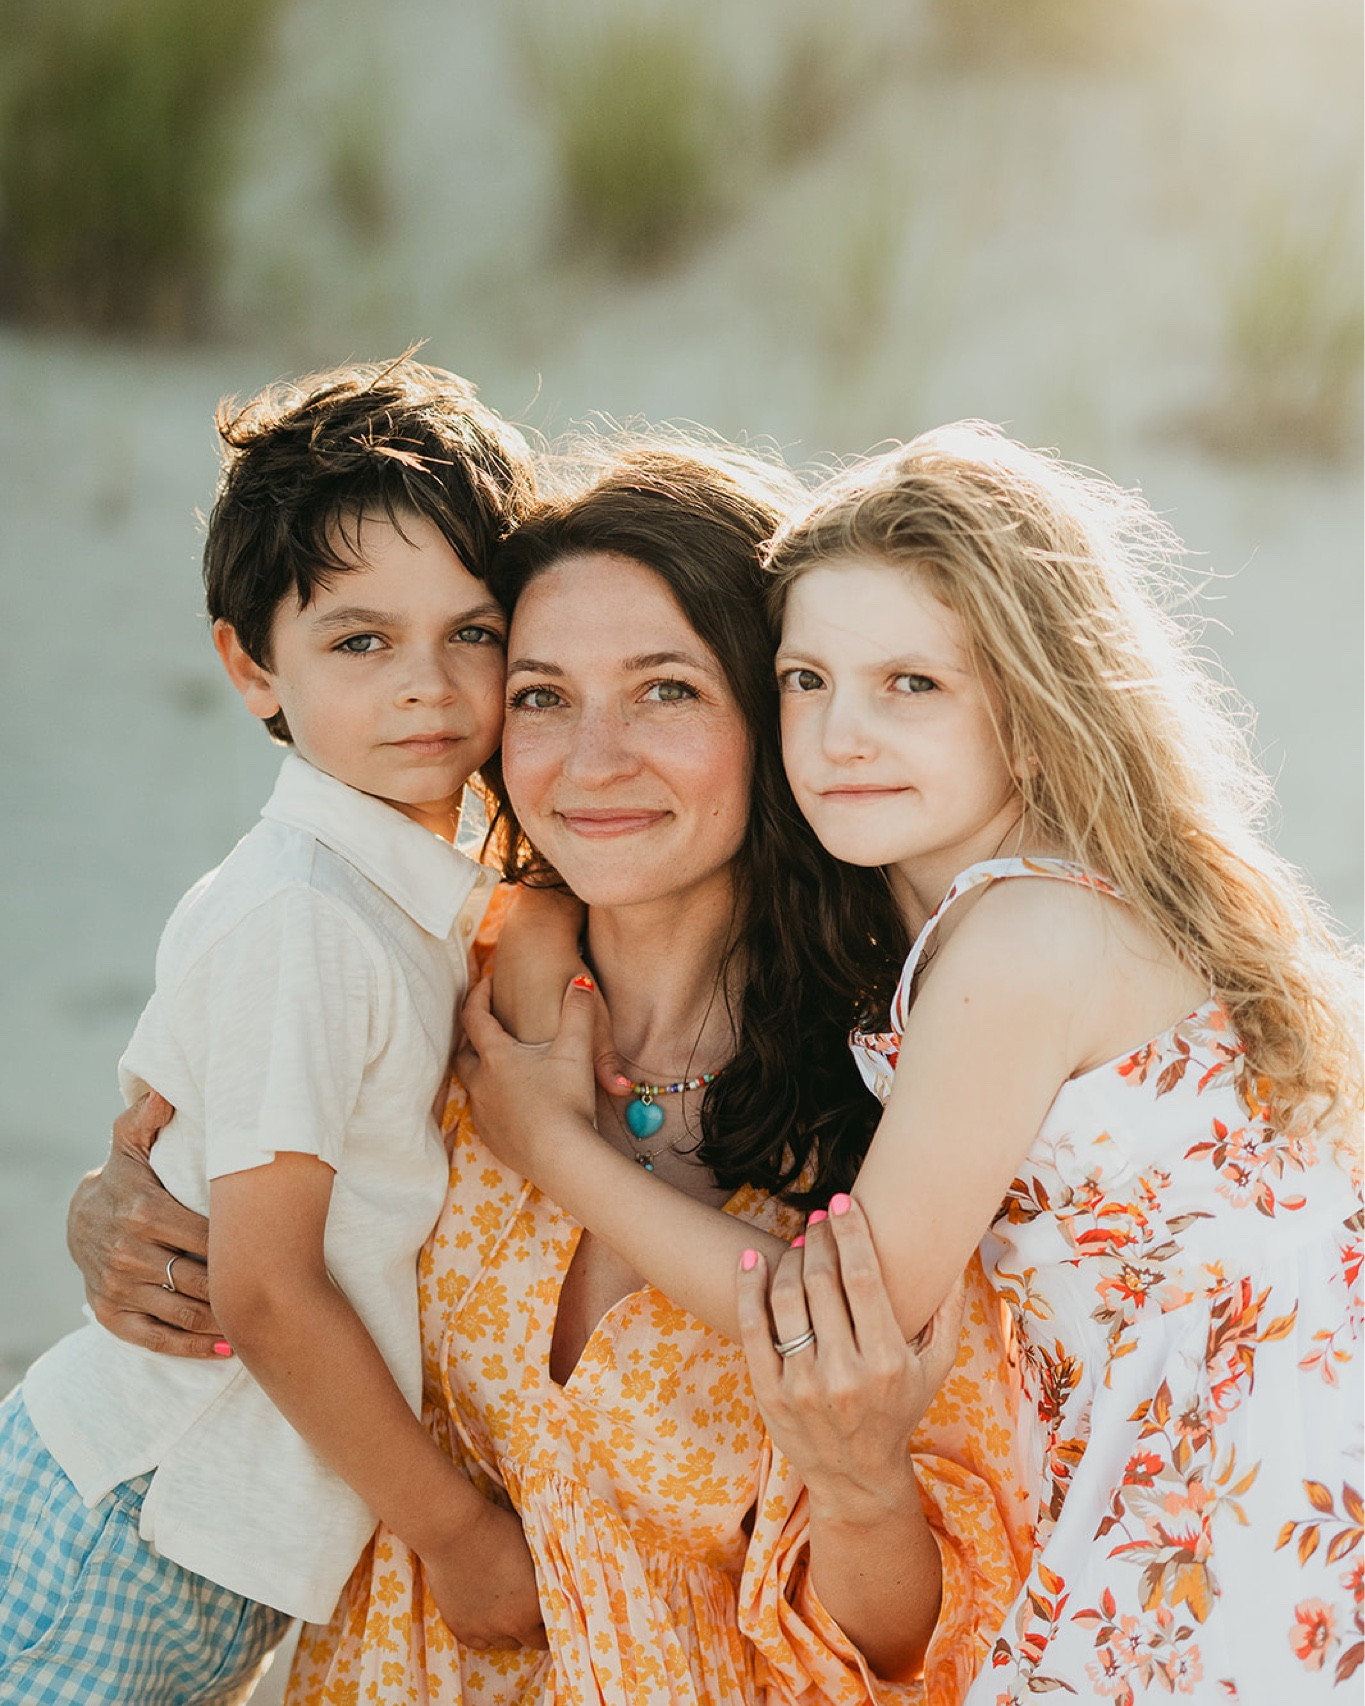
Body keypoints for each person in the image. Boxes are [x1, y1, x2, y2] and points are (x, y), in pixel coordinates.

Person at [66, 442, 1032, 1704]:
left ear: (771, 712)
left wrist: (858, 1485)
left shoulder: (901, 1108)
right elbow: (259, 1213)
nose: (593, 758)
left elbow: (916, 1647)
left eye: (667, 690)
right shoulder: (430, 989)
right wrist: (121, 1208)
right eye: (540, 694)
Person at [462, 424, 1363, 1702]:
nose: (842, 735)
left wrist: (551, 1146)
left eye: (912, 685)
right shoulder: (977, 922)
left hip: (1232, 1504)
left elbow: (845, 1324)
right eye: (808, 679)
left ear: (1041, 711)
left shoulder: (1028, 934)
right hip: (1182, 1470)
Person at [2, 359, 548, 1705]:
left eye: (470, 633)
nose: (425, 685)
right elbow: (263, 1281)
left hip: (199, 1529)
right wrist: (461, 1537)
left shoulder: (401, 894)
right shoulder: (304, 916)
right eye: (358, 640)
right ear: (251, 665)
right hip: (133, 1511)